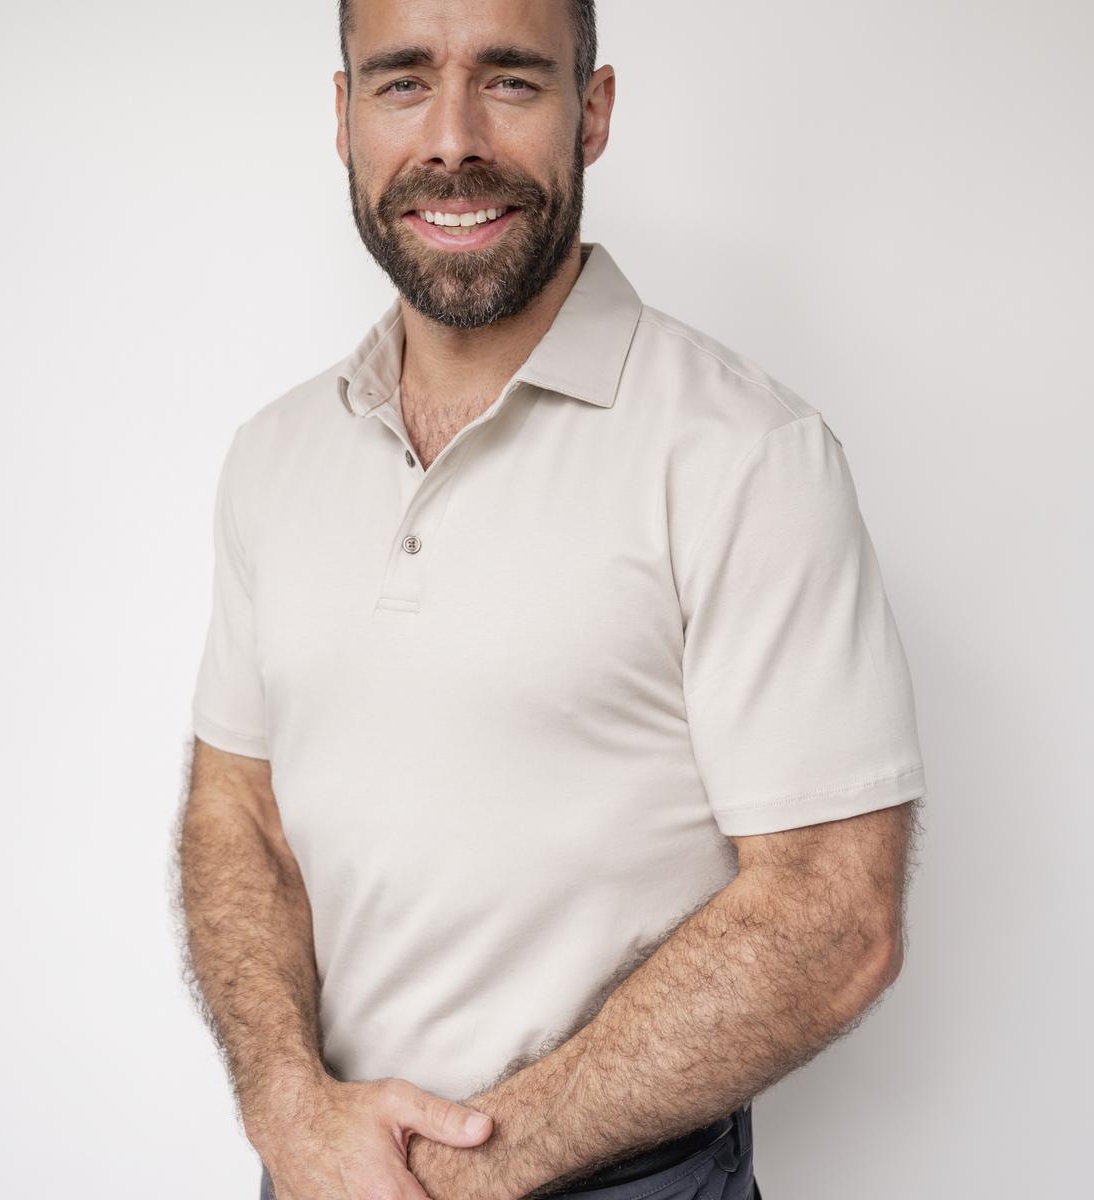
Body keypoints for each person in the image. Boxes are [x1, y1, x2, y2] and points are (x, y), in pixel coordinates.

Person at [176, 2, 927, 1198]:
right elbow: (240, 813)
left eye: (512, 81)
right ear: (344, 115)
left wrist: (456, 1176)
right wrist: (288, 1111)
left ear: (594, 110)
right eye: (403, 82)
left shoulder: (744, 452)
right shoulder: (274, 455)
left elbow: (834, 918)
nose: (453, 139)